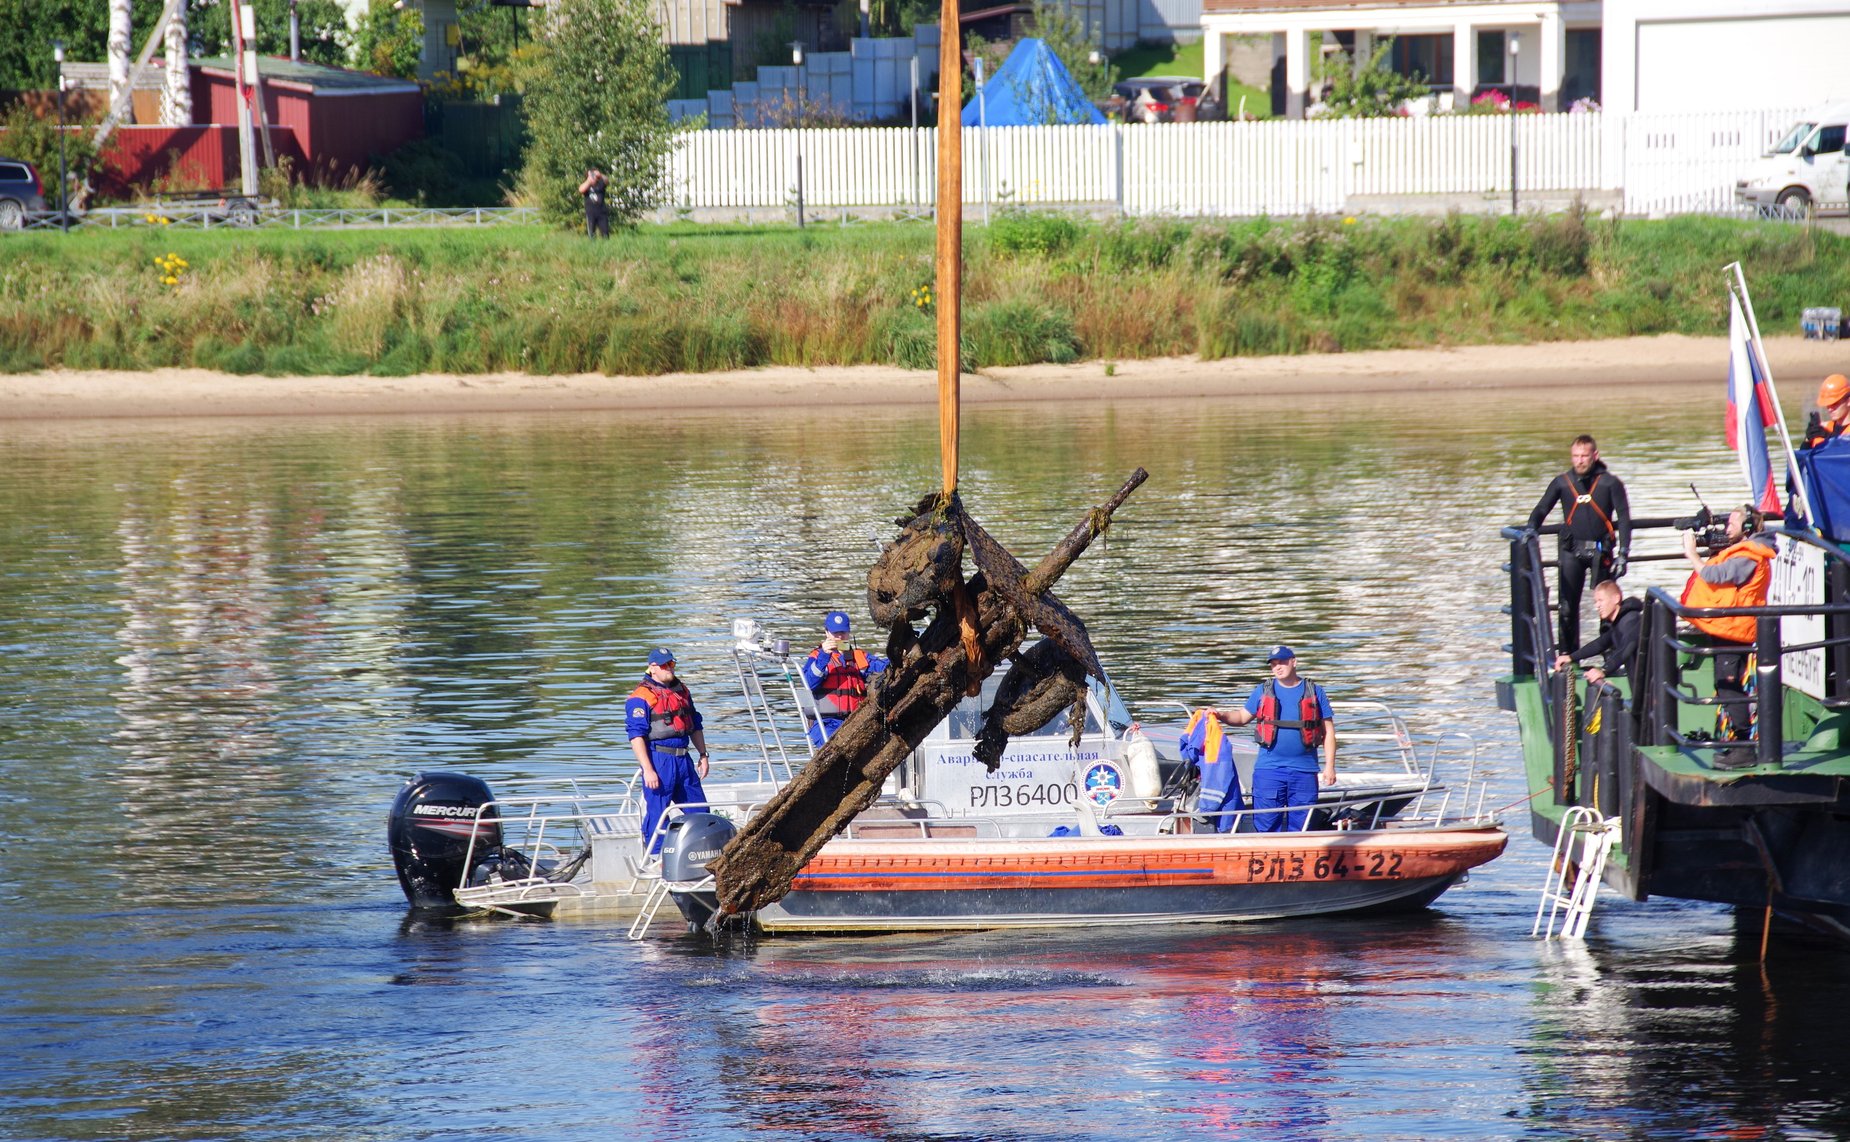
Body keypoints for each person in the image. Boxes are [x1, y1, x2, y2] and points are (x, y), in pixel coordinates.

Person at [1204, 645, 1336, 833]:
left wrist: (1329, 767)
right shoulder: (1263, 690)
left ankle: (1296, 860)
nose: (1277, 668)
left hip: (1304, 772)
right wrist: (1220, 714)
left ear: (1294, 662)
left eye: (1282, 662)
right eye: (1273, 665)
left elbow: (1329, 732)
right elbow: (1241, 717)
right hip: (1269, 771)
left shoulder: (1315, 691)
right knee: (1265, 826)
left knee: (1303, 827)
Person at [1680, 507, 1776, 755]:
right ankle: (1741, 740)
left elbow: (1714, 574)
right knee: (1729, 683)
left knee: (1727, 685)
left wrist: (1692, 554)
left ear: (1747, 529)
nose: (1727, 527)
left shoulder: (1749, 556)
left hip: (1734, 629)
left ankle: (1744, 744)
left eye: (1733, 522)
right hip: (1731, 626)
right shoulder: (1747, 551)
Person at [1529, 435, 1632, 652]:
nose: (1580, 461)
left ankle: (1610, 657)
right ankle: (1568, 657)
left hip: (1600, 551)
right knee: (1566, 609)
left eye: (1584, 456)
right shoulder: (1562, 482)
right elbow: (1541, 509)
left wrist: (1623, 553)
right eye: (1575, 456)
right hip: (1571, 551)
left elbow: (1624, 518)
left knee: (1606, 608)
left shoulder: (1610, 483)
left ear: (1595, 455)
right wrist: (1530, 530)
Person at [626, 647, 711, 851]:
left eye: (672, 664)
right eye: (665, 665)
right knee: (658, 813)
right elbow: (636, 736)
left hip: (684, 759)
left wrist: (703, 754)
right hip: (659, 759)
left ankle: (701, 853)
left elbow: (695, 724)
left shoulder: (682, 691)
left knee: (699, 810)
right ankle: (657, 859)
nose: (670, 668)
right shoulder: (640, 697)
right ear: (653, 667)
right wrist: (647, 769)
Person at [800, 611, 889, 747]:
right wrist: (824, 656)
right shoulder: (817, 657)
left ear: (848, 633)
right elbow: (809, 683)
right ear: (827, 633)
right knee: (834, 749)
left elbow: (883, 666)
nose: (840, 637)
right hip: (826, 723)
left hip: (856, 720)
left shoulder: (858, 656)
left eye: (843, 632)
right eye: (836, 633)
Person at [1553, 580, 1644, 686]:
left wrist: (1603, 670)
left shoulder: (1630, 620)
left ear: (1616, 598)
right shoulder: (1618, 623)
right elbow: (1600, 644)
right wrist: (1571, 657)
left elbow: (1627, 647)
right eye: (1595, 602)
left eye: (1601, 600)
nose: (1597, 606)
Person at [1180, 706, 1242, 833]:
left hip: (1220, 809)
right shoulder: (1217, 746)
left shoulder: (1214, 746)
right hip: (1225, 807)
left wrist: (1206, 807)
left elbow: (1217, 776)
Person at [1802, 373, 1850, 448]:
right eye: (1828, 404)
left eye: (1834, 403)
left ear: (1848, 401)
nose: (1830, 408)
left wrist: (1828, 437)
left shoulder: (1825, 432)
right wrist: (1808, 439)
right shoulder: (1824, 427)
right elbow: (1802, 457)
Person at [578, 167, 610, 239]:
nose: (593, 176)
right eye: (592, 174)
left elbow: (607, 181)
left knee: (605, 234)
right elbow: (581, 190)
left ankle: (606, 247)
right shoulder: (586, 184)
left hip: (602, 211)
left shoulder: (601, 183)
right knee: (592, 234)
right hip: (590, 212)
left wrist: (600, 175)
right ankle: (593, 247)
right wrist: (589, 180)